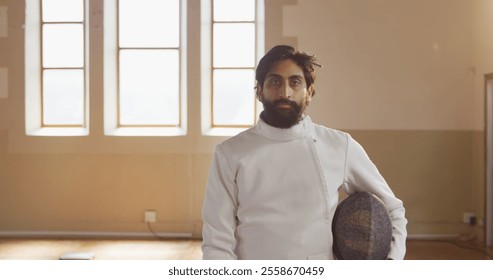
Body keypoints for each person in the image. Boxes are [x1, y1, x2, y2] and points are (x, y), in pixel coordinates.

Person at [201, 45, 407, 260]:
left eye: (295, 82)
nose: (285, 92)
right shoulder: (230, 153)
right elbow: (217, 241)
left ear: (309, 92)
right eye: (275, 81)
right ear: (259, 91)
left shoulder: (339, 145)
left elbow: (393, 211)